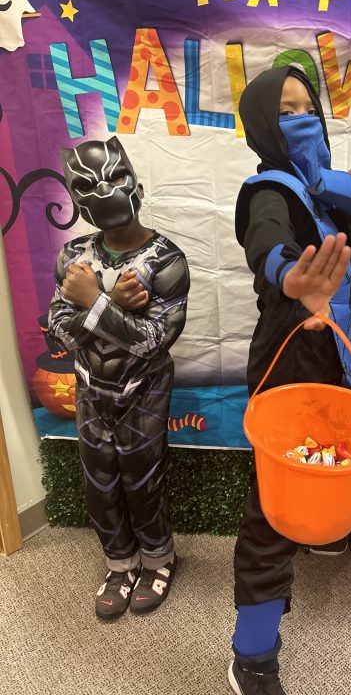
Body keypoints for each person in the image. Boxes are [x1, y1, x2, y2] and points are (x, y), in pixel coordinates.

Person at [229, 65, 351, 695]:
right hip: (289, 362)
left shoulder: (318, 190)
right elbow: (267, 242)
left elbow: (344, 258)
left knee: (329, 462)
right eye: (286, 111)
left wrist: (346, 202)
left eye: (308, 106)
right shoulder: (268, 190)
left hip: (332, 357)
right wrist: (289, 276)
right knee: (273, 512)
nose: (303, 118)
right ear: (264, 125)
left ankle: (320, 531)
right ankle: (252, 655)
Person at [48, 136, 190, 620]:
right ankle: (120, 563)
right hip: (91, 388)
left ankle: (159, 558)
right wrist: (110, 302)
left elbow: (152, 341)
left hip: (143, 388)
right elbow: (59, 333)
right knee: (100, 482)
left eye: (114, 177)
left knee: (142, 478)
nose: (105, 191)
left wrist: (92, 299)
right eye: (88, 185)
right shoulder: (73, 256)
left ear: (137, 186)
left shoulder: (166, 260)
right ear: (76, 198)